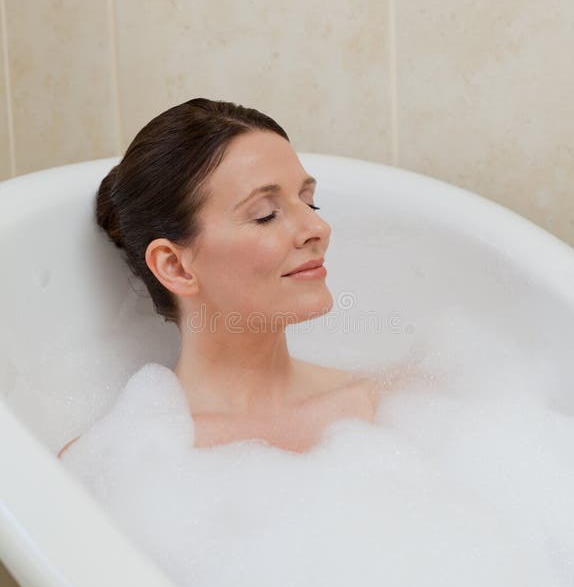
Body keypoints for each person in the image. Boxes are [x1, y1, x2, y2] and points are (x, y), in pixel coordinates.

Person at [58, 98, 397, 458]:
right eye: (265, 215)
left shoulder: (387, 407)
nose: (319, 227)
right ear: (174, 266)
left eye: (309, 202)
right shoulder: (113, 461)